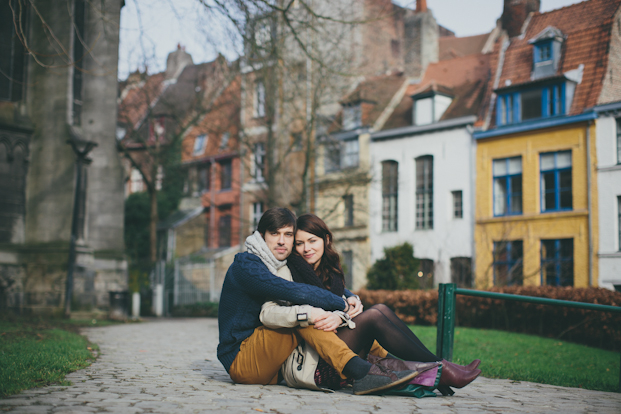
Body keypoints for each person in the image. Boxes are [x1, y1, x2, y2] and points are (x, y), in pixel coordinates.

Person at [259, 213, 481, 393]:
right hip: (316, 361)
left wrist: (347, 305)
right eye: (299, 243)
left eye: (312, 241)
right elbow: (279, 312)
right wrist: (339, 312)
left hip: (337, 349)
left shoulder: (329, 273)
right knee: (377, 314)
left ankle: (439, 369)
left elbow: (337, 306)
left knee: (377, 314)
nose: (306, 248)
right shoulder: (287, 272)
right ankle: (442, 367)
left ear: (325, 240)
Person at [217, 207, 422, 395]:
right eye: (275, 234)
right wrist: (340, 304)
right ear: (261, 236)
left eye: (288, 235)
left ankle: (400, 367)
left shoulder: (275, 263)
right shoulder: (247, 266)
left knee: (310, 312)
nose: (282, 241)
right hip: (242, 358)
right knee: (303, 312)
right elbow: (295, 292)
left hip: (272, 366)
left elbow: (309, 290)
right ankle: (360, 370)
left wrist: (348, 296)